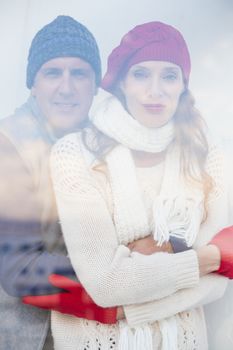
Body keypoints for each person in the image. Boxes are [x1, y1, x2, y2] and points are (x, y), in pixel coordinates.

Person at [49, 21, 232, 349]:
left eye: (169, 76)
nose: (155, 90)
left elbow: (218, 283)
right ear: (121, 83)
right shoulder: (75, 153)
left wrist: (124, 308)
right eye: (141, 74)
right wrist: (198, 257)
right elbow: (106, 283)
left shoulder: (210, 156)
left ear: (183, 85)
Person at [0, 15, 117, 350]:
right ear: (33, 83)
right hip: (27, 337)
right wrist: (119, 268)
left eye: (79, 73)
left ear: (95, 84)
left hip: (87, 333)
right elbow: (19, 270)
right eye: (53, 72)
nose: (67, 87)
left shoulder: (101, 144)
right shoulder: (10, 144)